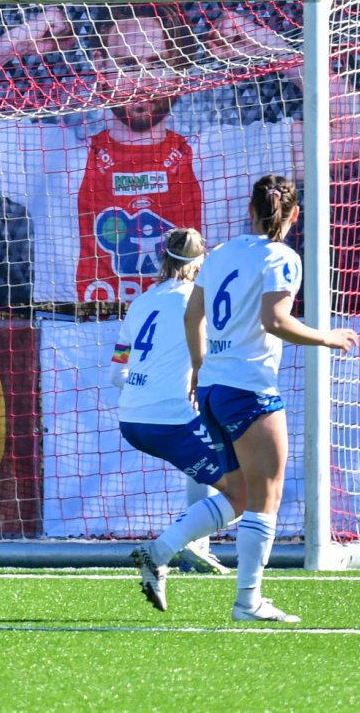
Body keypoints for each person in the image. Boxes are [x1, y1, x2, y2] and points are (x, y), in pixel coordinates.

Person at [0, 4, 360, 305]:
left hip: (195, 369)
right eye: (127, 64)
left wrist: (272, 50)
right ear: (98, 71)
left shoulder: (228, 154)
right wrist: (15, 44)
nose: (143, 82)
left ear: (181, 73)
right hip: (77, 380)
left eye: (158, 64)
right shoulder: (49, 154)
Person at [184, 174, 359, 622]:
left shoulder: (221, 253)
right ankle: (248, 601)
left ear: (250, 210)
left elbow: (192, 315)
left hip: (213, 386)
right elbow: (276, 320)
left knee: (239, 494)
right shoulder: (283, 257)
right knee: (266, 496)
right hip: (248, 387)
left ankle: (162, 549)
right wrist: (327, 337)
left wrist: (199, 365)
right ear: (295, 215)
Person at [113, 227, 244, 611]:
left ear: (163, 257)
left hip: (131, 418)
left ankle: (193, 544)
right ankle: (166, 550)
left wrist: (148, 387)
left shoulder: (141, 302)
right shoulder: (198, 300)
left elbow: (116, 372)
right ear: (201, 261)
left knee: (211, 454)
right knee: (246, 494)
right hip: (168, 419)